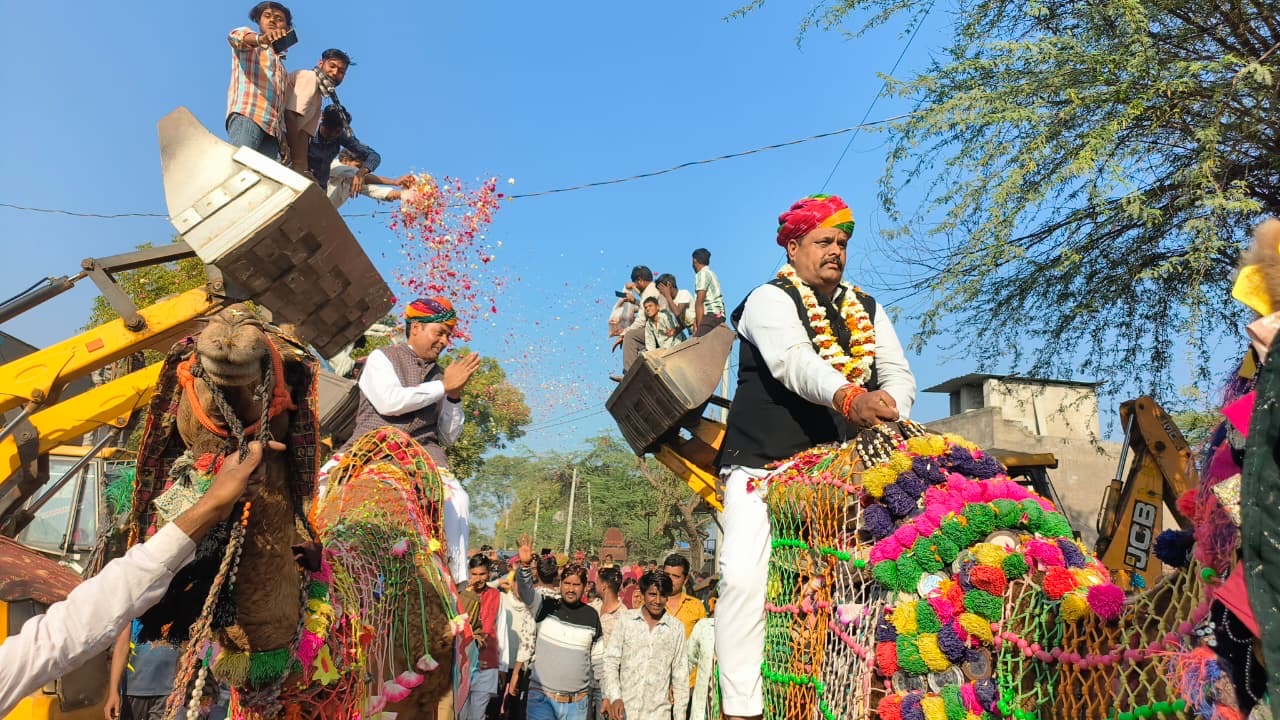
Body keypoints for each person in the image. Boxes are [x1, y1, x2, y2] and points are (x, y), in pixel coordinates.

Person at [715, 193, 916, 720]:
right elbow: (794, 363)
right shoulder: (768, 299)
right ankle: (742, 709)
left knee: (884, 574)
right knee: (741, 577)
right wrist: (852, 398)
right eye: (824, 241)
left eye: (843, 243)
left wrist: (895, 408)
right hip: (763, 469)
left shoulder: (867, 307)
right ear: (794, 245)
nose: (836, 252)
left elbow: (896, 371)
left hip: (840, 473)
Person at [0, 441, 278, 716]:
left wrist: (211, 507)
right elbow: (83, 625)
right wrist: (211, 507)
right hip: (139, 689)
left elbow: (79, 624)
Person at [337, 297, 481, 582]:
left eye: (448, 336)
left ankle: (453, 582)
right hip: (374, 446)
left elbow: (449, 436)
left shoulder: (443, 376)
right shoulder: (383, 357)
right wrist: (443, 386)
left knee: (460, 499)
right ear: (415, 327)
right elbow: (391, 402)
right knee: (319, 487)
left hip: (424, 455)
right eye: (439, 332)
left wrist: (454, 395)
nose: (444, 341)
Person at [514, 535, 603, 720]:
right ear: (560, 583)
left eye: (576, 584)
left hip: (577, 705)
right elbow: (525, 591)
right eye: (567, 583)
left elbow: (599, 661)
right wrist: (523, 566)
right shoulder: (544, 605)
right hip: (541, 701)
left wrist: (608, 695)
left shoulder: (591, 616)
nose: (571, 589)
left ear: (585, 587)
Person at [601, 571, 689, 720]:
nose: (657, 600)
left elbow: (681, 677)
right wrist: (615, 697)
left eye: (662, 595)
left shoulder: (675, 628)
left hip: (659, 713)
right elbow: (611, 661)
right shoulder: (626, 621)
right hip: (623, 712)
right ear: (642, 594)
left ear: (667, 597)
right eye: (652, 594)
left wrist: (679, 716)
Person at [225, 2, 293, 159]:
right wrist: (261, 39)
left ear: (287, 28)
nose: (272, 21)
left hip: (272, 132)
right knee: (238, 166)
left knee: (259, 178)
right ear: (258, 21)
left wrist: (282, 139)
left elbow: (279, 105)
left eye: (278, 18)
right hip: (249, 115)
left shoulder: (282, 69)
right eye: (267, 16)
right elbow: (235, 36)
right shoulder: (253, 45)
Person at [284, 48, 353, 176]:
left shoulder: (319, 99)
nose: (335, 72)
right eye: (332, 66)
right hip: (275, 137)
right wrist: (297, 160)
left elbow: (304, 136)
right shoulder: (310, 78)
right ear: (320, 64)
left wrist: (303, 171)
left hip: (284, 145)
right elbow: (290, 115)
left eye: (341, 71)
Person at [459, 555, 507, 720]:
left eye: (482, 574)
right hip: (462, 664)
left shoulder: (496, 596)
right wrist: (467, 595)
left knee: (477, 715)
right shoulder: (460, 595)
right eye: (474, 574)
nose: (478, 578)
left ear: (489, 574)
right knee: (460, 713)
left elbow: (501, 631)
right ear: (468, 574)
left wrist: (503, 666)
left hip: (487, 663)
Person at [306, 105, 384, 191]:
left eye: (337, 131)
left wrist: (361, 172)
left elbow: (374, 156)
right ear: (322, 121)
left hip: (319, 189)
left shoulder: (342, 136)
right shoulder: (308, 129)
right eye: (329, 130)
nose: (332, 135)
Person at [613, 266, 674, 371]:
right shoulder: (651, 289)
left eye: (636, 283)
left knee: (630, 336)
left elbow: (641, 320)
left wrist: (623, 334)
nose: (635, 286)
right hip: (659, 328)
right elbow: (644, 306)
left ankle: (630, 372)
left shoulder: (649, 292)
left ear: (640, 280)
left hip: (661, 330)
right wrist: (634, 301)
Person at [661, 554, 706, 638]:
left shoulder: (696, 606)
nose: (669, 580)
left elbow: (703, 639)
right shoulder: (650, 603)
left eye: (676, 576)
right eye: (666, 575)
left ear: (685, 580)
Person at [686, 615, 717, 720]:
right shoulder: (705, 626)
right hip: (703, 709)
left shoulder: (747, 628)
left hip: (734, 709)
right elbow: (687, 660)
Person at [690, 248, 726, 337]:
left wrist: (699, 326)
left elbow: (700, 301)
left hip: (712, 315)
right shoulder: (711, 273)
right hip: (718, 315)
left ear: (694, 261)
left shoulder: (702, 274)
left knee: (697, 343)